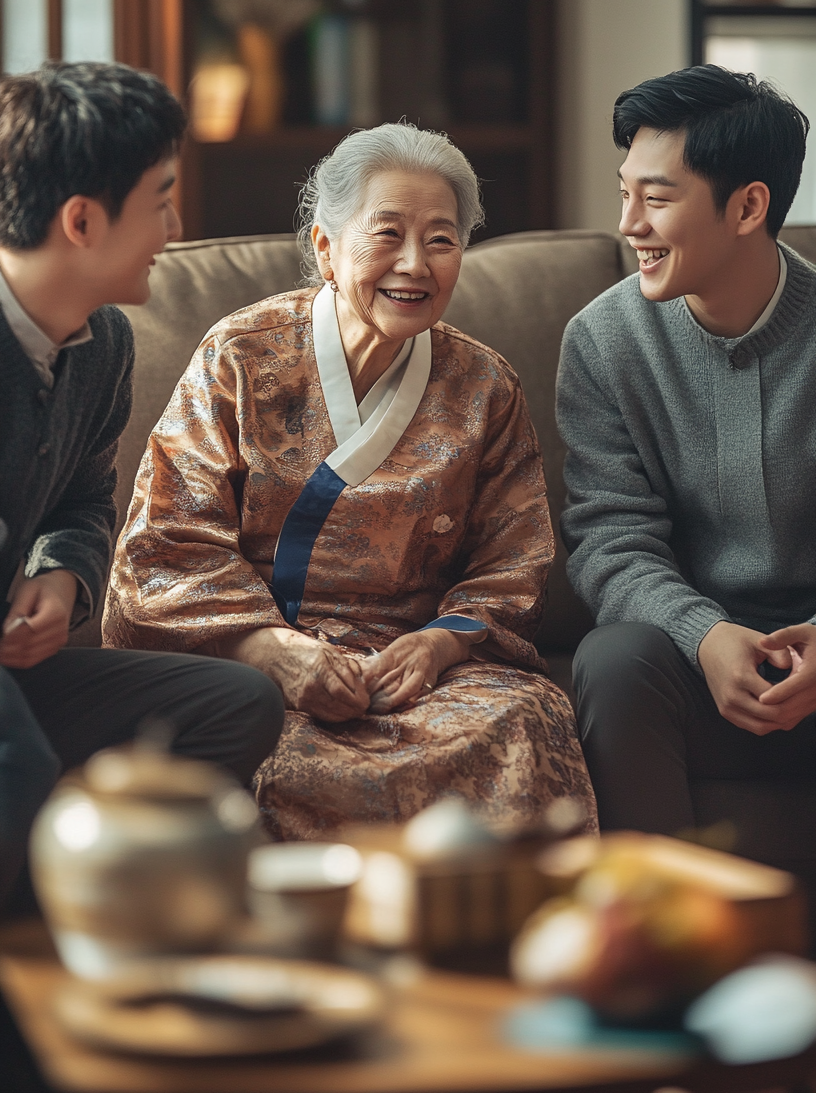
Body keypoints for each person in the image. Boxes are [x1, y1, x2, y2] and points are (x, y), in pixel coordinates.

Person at [104, 124, 596, 839]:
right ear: (326, 248)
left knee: (530, 717)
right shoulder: (241, 355)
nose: (414, 264)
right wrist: (272, 650)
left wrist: (437, 646)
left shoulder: (486, 385)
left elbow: (511, 562)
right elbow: (165, 542)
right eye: (387, 234)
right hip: (251, 656)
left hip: (414, 668)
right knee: (253, 739)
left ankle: (494, 938)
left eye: (441, 239)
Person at [0, 62, 284, 908]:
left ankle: (107, 917)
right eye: (160, 199)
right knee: (19, 761)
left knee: (238, 704)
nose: (176, 224)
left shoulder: (105, 345)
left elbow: (86, 499)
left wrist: (63, 575)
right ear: (81, 220)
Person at [556, 63, 815, 833]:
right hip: (693, 665)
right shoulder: (603, 342)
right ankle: (652, 934)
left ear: (747, 207)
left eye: (657, 199)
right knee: (611, 661)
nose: (630, 223)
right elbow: (610, 542)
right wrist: (704, 637)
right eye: (625, 192)